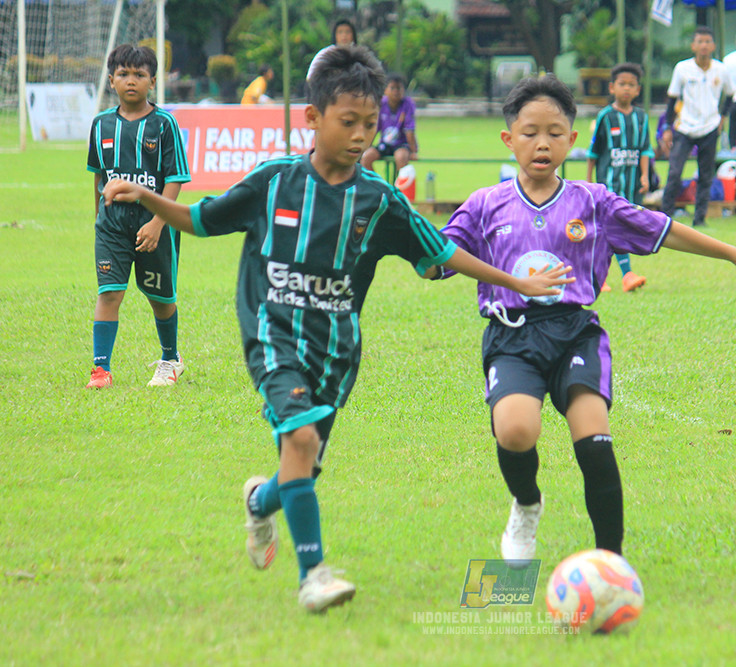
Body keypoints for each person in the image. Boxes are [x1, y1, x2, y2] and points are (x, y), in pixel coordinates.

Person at [100, 46, 572, 613]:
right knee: (299, 440)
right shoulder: (274, 182)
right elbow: (201, 220)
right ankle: (313, 575)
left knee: (303, 464)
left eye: (369, 125)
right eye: (347, 122)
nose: (359, 135)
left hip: (337, 354)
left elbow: (443, 253)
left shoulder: (379, 200)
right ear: (312, 118)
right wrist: (147, 196)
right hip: (272, 337)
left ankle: (261, 501)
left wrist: (516, 284)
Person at [437, 74, 736, 562]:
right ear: (509, 139)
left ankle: (609, 563)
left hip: (575, 334)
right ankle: (527, 505)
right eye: (530, 132)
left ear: (572, 141)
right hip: (511, 337)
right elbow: (437, 256)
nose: (542, 143)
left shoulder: (592, 201)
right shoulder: (485, 205)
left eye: (555, 133)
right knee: (515, 431)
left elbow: (665, 231)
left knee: (594, 444)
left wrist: (733, 253)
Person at [84, 44, 190, 389]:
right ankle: (101, 370)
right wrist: (99, 219)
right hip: (112, 225)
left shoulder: (164, 124)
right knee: (110, 292)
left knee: (160, 298)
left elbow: (175, 178)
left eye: (140, 75)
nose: (131, 81)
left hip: (154, 224)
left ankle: (170, 359)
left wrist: (159, 222)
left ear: (153, 81)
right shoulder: (100, 125)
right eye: (124, 74)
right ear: (111, 80)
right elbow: (99, 177)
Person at [586, 62, 653, 293]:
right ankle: (622, 275)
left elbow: (645, 149)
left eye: (631, 85)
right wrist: (589, 182)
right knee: (610, 229)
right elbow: (593, 152)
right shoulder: (605, 116)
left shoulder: (642, 118)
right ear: (612, 87)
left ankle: (604, 276)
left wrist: (645, 176)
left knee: (618, 230)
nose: (626, 89)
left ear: (638, 90)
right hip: (608, 186)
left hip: (631, 185)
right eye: (622, 84)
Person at [660, 26, 734, 227]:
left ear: (713, 46)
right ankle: (664, 218)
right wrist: (668, 127)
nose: (703, 45)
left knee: (705, 174)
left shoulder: (721, 69)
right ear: (693, 45)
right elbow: (672, 99)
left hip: (710, 127)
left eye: (707, 41)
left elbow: (730, 95)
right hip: (684, 127)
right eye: (700, 41)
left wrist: (722, 118)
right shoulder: (682, 68)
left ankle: (699, 218)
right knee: (675, 172)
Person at [360, 73, 418, 172]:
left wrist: (413, 151)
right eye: (392, 88)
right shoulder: (380, 104)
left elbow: (409, 130)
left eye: (399, 88)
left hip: (401, 144)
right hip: (385, 144)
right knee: (366, 157)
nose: (396, 92)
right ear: (385, 90)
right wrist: (366, 147)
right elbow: (374, 128)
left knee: (401, 158)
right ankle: (378, 185)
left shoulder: (408, 104)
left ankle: (398, 186)